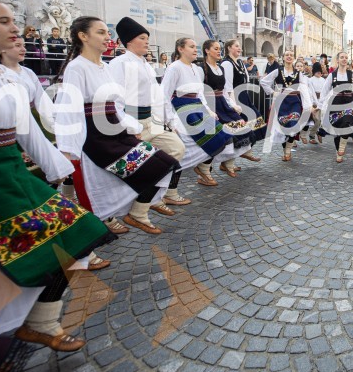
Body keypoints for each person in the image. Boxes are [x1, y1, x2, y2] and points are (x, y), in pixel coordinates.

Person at [0, 0, 113, 351]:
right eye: (2, 21)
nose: (14, 27)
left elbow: (26, 131)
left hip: (13, 175)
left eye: (11, 20)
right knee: (22, 258)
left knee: (78, 237)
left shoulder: (5, 76)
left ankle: (40, 321)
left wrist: (59, 165)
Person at [56, 17, 179, 236]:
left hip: (115, 128)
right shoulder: (77, 68)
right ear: (83, 36)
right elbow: (68, 108)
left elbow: (115, 105)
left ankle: (136, 211)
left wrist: (130, 126)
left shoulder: (103, 67)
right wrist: (68, 150)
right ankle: (95, 230)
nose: (108, 37)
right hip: (95, 135)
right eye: (101, 32)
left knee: (163, 163)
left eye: (107, 32)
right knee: (97, 184)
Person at [108, 17, 191, 216]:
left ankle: (146, 203)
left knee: (176, 150)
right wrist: (128, 127)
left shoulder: (147, 64)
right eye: (142, 38)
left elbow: (158, 96)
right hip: (132, 122)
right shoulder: (119, 63)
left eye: (147, 38)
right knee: (123, 169)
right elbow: (114, 99)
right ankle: (112, 215)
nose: (147, 41)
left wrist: (169, 120)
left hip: (152, 121)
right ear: (129, 41)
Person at [162, 38, 234, 186]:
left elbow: (200, 92)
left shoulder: (195, 68)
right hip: (182, 108)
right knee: (187, 145)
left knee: (223, 137)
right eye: (191, 46)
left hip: (197, 107)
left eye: (196, 47)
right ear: (181, 49)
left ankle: (203, 167)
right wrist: (169, 120)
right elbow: (164, 94)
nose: (196, 49)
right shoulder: (174, 67)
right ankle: (171, 188)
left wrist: (207, 110)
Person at [201, 40, 252, 177]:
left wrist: (232, 104)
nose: (219, 51)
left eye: (219, 49)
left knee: (240, 124)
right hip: (210, 103)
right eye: (216, 49)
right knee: (218, 135)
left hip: (222, 102)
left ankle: (228, 163)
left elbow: (225, 90)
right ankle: (205, 169)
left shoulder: (220, 68)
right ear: (207, 50)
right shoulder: (202, 68)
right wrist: (207, 109)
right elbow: (199, 91)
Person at [261, 50, 312, 161]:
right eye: (287, 55)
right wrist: (273, 92)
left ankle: (288, 151)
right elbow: (264, 82)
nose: (289, 57)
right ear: (283, 58)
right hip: (281, 102)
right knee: (284, 126)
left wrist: (309, 106)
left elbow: (304, 89)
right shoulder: (277, 71)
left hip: (294, 101)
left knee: (294, 124)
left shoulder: (298, 73)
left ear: (293, 58)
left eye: (291, 55)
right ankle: (286, 150)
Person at [221, 39, 266, 157]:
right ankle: (231, 159)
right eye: (236, 46)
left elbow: (246, 79)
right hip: (234, 97)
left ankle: (246, 150)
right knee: (238, 127)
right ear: (229, 48)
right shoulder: (227, 63)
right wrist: (233, 104)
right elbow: (228, 86)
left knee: (256, 122)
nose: (240, 48)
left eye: (240, 46)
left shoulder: (240, 62)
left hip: (244, 96)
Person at [318, 51, 353, 163]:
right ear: (337, 60)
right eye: (342, 57)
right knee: (338, 129)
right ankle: (338, 151)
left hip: (349, 102)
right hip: (336, 103)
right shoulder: (331, 75)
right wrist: (320, 106)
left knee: (348, 123)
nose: (344, 59)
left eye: (346, 57)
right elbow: (324, 91)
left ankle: (342, 146)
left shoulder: (351, 75)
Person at [308, 62, 326, 144]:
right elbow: (311, 92)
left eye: (320, 71)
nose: (319, 73)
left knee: (321, 120)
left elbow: (325, 92)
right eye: (317, 71)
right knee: (317, 120)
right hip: (314, 103)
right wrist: (314, 103)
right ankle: (312, 135)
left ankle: (318, 132)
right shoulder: (310, 80)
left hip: (321, 102)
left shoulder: (323, 80)